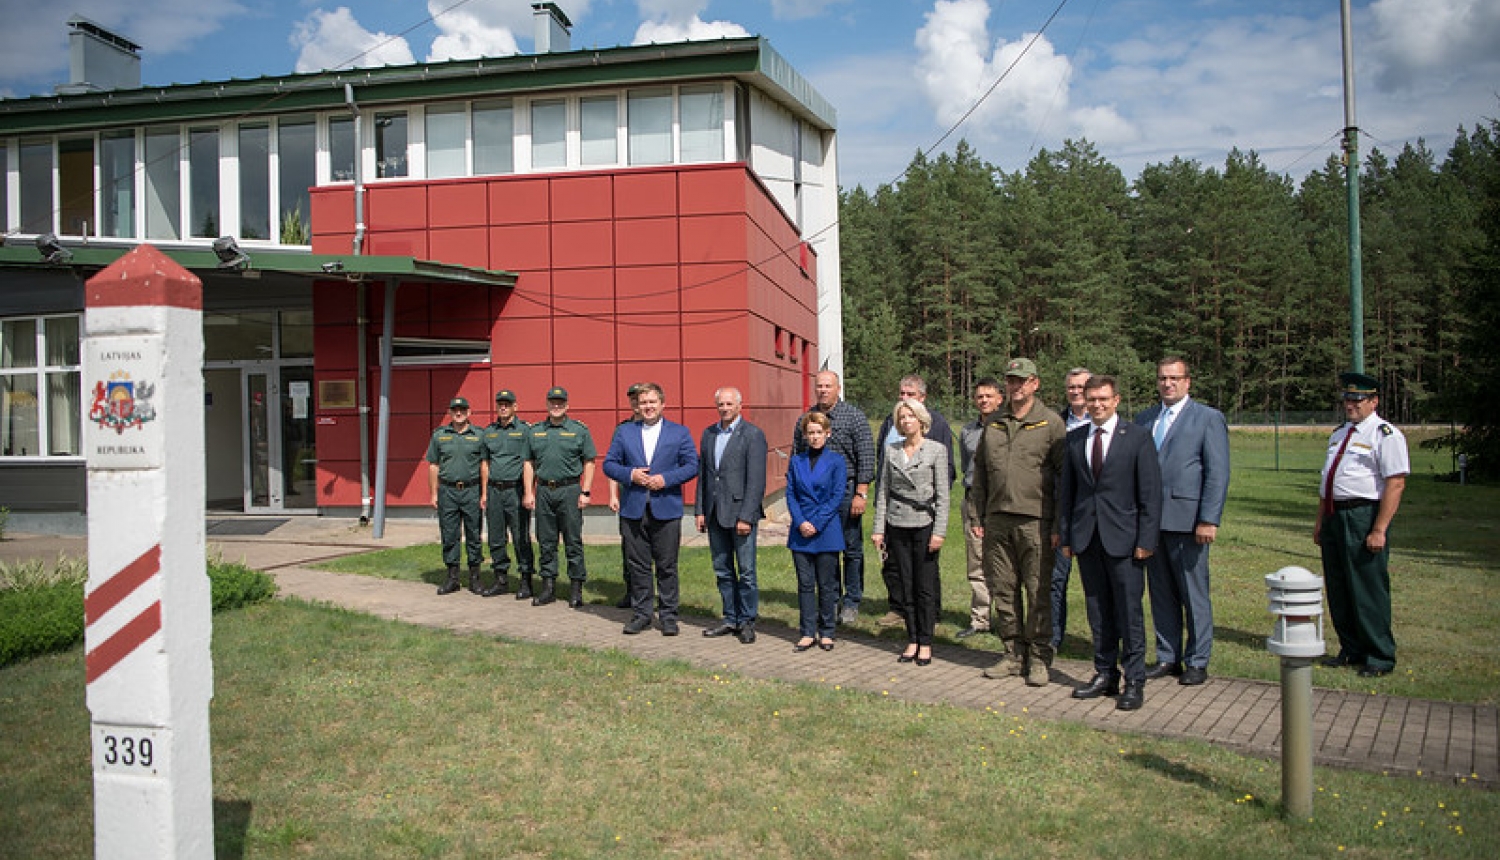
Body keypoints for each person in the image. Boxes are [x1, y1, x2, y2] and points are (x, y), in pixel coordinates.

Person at [1057, 375, 1162, 711]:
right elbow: (1067, 494)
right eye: (1091, 400)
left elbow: (1150, 494)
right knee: (1098, 610)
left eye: (1103, 399)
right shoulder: (1074, 440)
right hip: (1088, 539)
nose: (1097, 405)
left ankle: (1134, 680)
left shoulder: (1137, 438)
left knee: (1129, 611)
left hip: (1126, 541)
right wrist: (1067, 536)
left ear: (1116, 400)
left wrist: (1146, 539)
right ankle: (1105, 673)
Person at [1134, 358, 1230, 686]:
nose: (1167, 384)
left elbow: (1217, 473)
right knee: (1160, 593)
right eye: (1162, 378)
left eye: (1174, 378)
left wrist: (1208, 519)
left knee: (1194, 593)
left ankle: (1197, 659)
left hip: (1189, 522)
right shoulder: (1145, 419)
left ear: (1188, 382)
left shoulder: (1207, 418)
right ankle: (1167, 656)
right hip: (1151, 523)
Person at [972, 358, 1067, 686]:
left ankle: (1039, 658)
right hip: (997, 520)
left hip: (1036, 522)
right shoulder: (994, 423)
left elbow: (1062, 477)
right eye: (1011, 381)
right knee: (1003, 589)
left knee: (1038, 590)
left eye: (1022, 381)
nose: (1016, 386)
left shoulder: (1051, 423)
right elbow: (980, 473)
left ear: (1035, 384)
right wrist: (977, 515)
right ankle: (1013, 653)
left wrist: (1057, 525)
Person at [1315, 371, 1409, 678]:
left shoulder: (1385, 435)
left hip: (1363, 515)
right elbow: (1327, 482)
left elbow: (1395, 484)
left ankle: (1379, 655)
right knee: (1339, 586)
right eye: (1347, 399)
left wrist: (1379, 529)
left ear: (1374, 401)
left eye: (1357, 399)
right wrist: (1321, 522)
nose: (1351, 405)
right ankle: (1351, 648)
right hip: (1334, 514)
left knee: (1367, 587)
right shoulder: (1340, 434)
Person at [603, 383, 699, 637]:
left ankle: (668, 616)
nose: (647, 407)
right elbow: (609, 464)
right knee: (638, 565)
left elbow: (692, 465)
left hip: (666, 508)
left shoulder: (679, 433)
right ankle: (642, 614)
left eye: (652, 402)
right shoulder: (624, 432)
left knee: (667, 565)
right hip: (633, 509)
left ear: (662, 404)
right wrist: (630, 474)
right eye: (643, 402)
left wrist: (666, 479)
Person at [871, 399, 951, 667]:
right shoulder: (891, 450)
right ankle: (912, 638)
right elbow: (882, 492)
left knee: (924, 586)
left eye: (910, 416)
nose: (906, 421)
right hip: (897, 523)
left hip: (924, 524)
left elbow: (943, 496)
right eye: (902, 417)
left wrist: (939, 532)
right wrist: (878, 529)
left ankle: (926, 641)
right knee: (905, 584)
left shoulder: (936, 451)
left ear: (921, 420)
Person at [792, 370, 876, 625]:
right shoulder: (806, 420)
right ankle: (831, 599)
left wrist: (861, 493)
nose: (823, 390)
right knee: (824, 549)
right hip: (814, 496)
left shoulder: (853, 417)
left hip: (847, 492)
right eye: (819, 386)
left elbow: (866, 456)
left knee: (851, 549)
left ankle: (852, 600)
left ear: (838, 388)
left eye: (828, 386)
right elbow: (797, 455)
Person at [696, 386, 769, 644]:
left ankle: (747, 620)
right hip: (715, 514)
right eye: (721, 405)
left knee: (747, 571)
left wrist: (747, 516)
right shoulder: (708, 434)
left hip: (740, 514)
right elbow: (704, 475)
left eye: (729, 404)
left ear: (739, 405)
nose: (725, 409)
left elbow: (756, 481)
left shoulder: (752, 435)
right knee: (723, 569)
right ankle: (730, 617)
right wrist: (700, 511)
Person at [523, 387, 596, 608]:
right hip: (544, 490)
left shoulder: (578, 430)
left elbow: (589, 461)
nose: (556, 406)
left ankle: (576, 588)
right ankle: (548, 588)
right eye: (553, 402)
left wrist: (586, 491)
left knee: (573, 541)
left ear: (567, 405)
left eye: (560, 402)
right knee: (546, 541)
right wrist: (529, 491)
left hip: (570, 490)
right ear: (547, 404)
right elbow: (528, 462)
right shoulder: (535, 431)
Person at [786, 411, 846, 653]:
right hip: (801, 531)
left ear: (827, 434)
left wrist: (817, 523)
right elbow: (790, 494)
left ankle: (827, 631)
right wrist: (801, 521)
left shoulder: (836, 461)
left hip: (826, 530)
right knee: (805, 584)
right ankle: (807, 631)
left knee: (827, 584)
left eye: (819, 432)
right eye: (810, 432)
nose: (814, 437)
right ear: (804, 435)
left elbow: (836, 496)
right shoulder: (796, 461)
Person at [957, 377, 1004, 639]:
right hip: (973, 501)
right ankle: (980, 619)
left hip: (1001, 502)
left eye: (989, 396)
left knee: (1003, 562)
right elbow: (967, 468)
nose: (984, 400)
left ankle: (1007, 619)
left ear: (1000, 398)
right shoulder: (967, 431)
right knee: (977, 562)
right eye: (980, 396)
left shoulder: (1008, 427)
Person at [426, 396, 487, 595]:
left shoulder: (479, 435)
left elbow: (484, 466)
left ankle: (475, 578)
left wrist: (484, 493)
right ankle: (452, 578)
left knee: (473, 536)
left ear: (469, 412)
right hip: (447, 492)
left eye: (462, 410)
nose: (458, 413)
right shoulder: (439, 435)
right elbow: (433, 465)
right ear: (450, 412)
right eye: (454, 410)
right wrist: (433, 492)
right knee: (449, 535)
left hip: (471, 490)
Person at [1050, 367, 1093, 649]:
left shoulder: (1108, 423)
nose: (1076, 392)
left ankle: (1106, 641)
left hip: (1092, 514)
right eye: (1071, 387)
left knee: (1097, 585)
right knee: (1055, 581)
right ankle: (1053, 638)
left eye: (1081, 387)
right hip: (1060, 514)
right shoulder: (1055, 423)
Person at [479, 389, 535, 599]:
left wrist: (529, 491)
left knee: (521, 536)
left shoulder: (525, 431)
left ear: (515, 407)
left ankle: (525, 580)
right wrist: (484, 492)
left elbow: (530, 462)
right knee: (495, 537)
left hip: (515, 490)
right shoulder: (489, 431)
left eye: (507, 403)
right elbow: (485, 464)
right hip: (494, 490)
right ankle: (500, 579)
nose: (503, 407)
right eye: (500, 403)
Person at [609, 383, 645, 608]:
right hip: (629, 497)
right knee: (629, 546)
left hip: (655, 498)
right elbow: (614, 464)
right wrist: (613, 495)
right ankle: (631, 590)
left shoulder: (662, 428)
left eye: (639, 398)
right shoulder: (622, 429)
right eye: (632, 399)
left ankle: (654, 593)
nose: (636, 403)